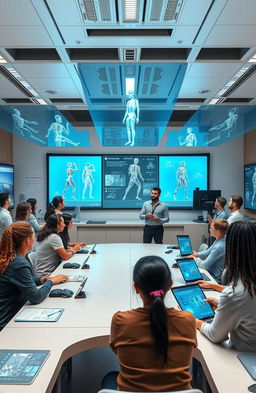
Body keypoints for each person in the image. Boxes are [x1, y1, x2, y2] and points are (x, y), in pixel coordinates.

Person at [107, 256, 197, 391]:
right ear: (170, 285)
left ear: (136, 288)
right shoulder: (187, 320)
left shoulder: (121, 321)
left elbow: (116, 351)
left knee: (109, 378)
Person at [196, 220, 256, 352]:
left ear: (232, 249)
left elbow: (215, 335)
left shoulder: (235, 293)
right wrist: (221, 304)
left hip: (242, 358)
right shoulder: (247, 284)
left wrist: (193, 319)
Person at [0, 222, 68, 330]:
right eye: (33, 236)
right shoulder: (19, 263)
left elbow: (19, 279)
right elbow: (35, 297)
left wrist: (41, 280)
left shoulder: (9, 257)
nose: (35, 239)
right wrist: (51, 282)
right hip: (7, 324)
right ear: (27, 240)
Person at [190, 219, 229, 283]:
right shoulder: (222, 238)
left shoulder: (219, 247)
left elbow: (205, 265)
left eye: (211, 228)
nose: (209, 229)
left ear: (218, 231)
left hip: (214, 278)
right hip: (212, 273)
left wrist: (194, 258)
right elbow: (207, 252)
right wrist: (196, 254)